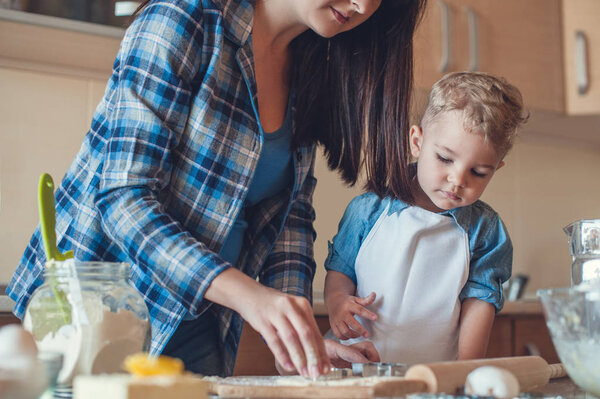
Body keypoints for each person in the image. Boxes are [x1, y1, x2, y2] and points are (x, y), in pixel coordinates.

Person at [6, 0, 426, 378]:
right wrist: (252, 298)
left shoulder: (310, 65)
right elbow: (123, 200)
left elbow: (290, 221)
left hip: (201, 325)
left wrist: (296, 338)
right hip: (89, 318)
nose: (362, 5)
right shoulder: (182, 21)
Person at [324, 71, 529, 364]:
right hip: (356, 368)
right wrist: (336, 302)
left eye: (479, 172)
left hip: (433, 377)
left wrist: (465, 371)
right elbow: (341, 268)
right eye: (445, 159)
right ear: (417, 142)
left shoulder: (485, 230)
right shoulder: (367, 210)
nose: (457, 180)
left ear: (496, 168)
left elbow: (479, 303)